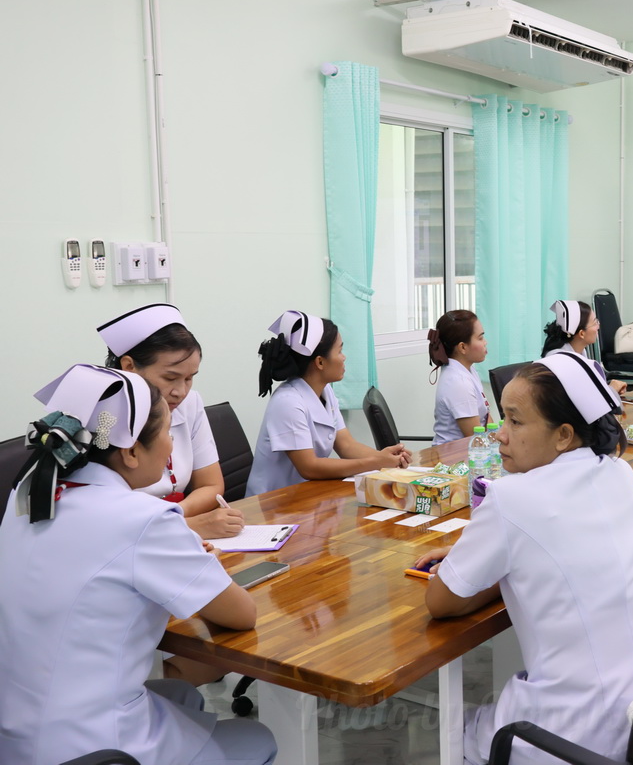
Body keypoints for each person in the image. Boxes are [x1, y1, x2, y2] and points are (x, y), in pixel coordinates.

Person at [0, 365, 276, 765]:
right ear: (130, 452)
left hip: (16, 730)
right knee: (256, 738)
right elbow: (241, 615)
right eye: (167, 433)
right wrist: (196, 560)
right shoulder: (142, 519)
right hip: (91, 745)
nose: (171, 446)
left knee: (180, 695)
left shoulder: (29, 494)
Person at [412, 351, 633, 765]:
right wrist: (504, 558)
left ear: (564, 435)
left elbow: (441, 601)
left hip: (569, 733)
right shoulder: (619, 473)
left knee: (453, 736)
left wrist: (493, 564)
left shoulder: (510, 499)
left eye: (515, 421)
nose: (500, 434)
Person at [97, 303, 244, 540]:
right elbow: (103, 514)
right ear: (129, 366)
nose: (180, 392)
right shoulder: (100, 416)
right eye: (170, 378)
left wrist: (174, 519)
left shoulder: (190, 403)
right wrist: (184, 525)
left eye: (189, 378)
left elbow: (211, 485)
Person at [247, 310, 409, 496]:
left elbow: (346, 445)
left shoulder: (325, 391)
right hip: (273, 503)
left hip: (306, 495)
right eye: (339, 351)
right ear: (320, 362)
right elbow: (309, 467)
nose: (344, 357)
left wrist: (385, 457)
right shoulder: (287, 402)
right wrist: (375, 463)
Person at [429, 309, 491, 444]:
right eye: (480, 338)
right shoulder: (458, 383)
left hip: (472, 449)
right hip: (454, 455)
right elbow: (476, 439)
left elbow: (487, 419)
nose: (485, 342)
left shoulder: (468, 369)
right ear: (462, 347)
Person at [541, 299, 628, 395]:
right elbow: (582, 397)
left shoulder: (580, 352)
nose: (598, 326)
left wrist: (611, 389)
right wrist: (611, 390)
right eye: (595, 322)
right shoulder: (560, 361)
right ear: (582, 333)